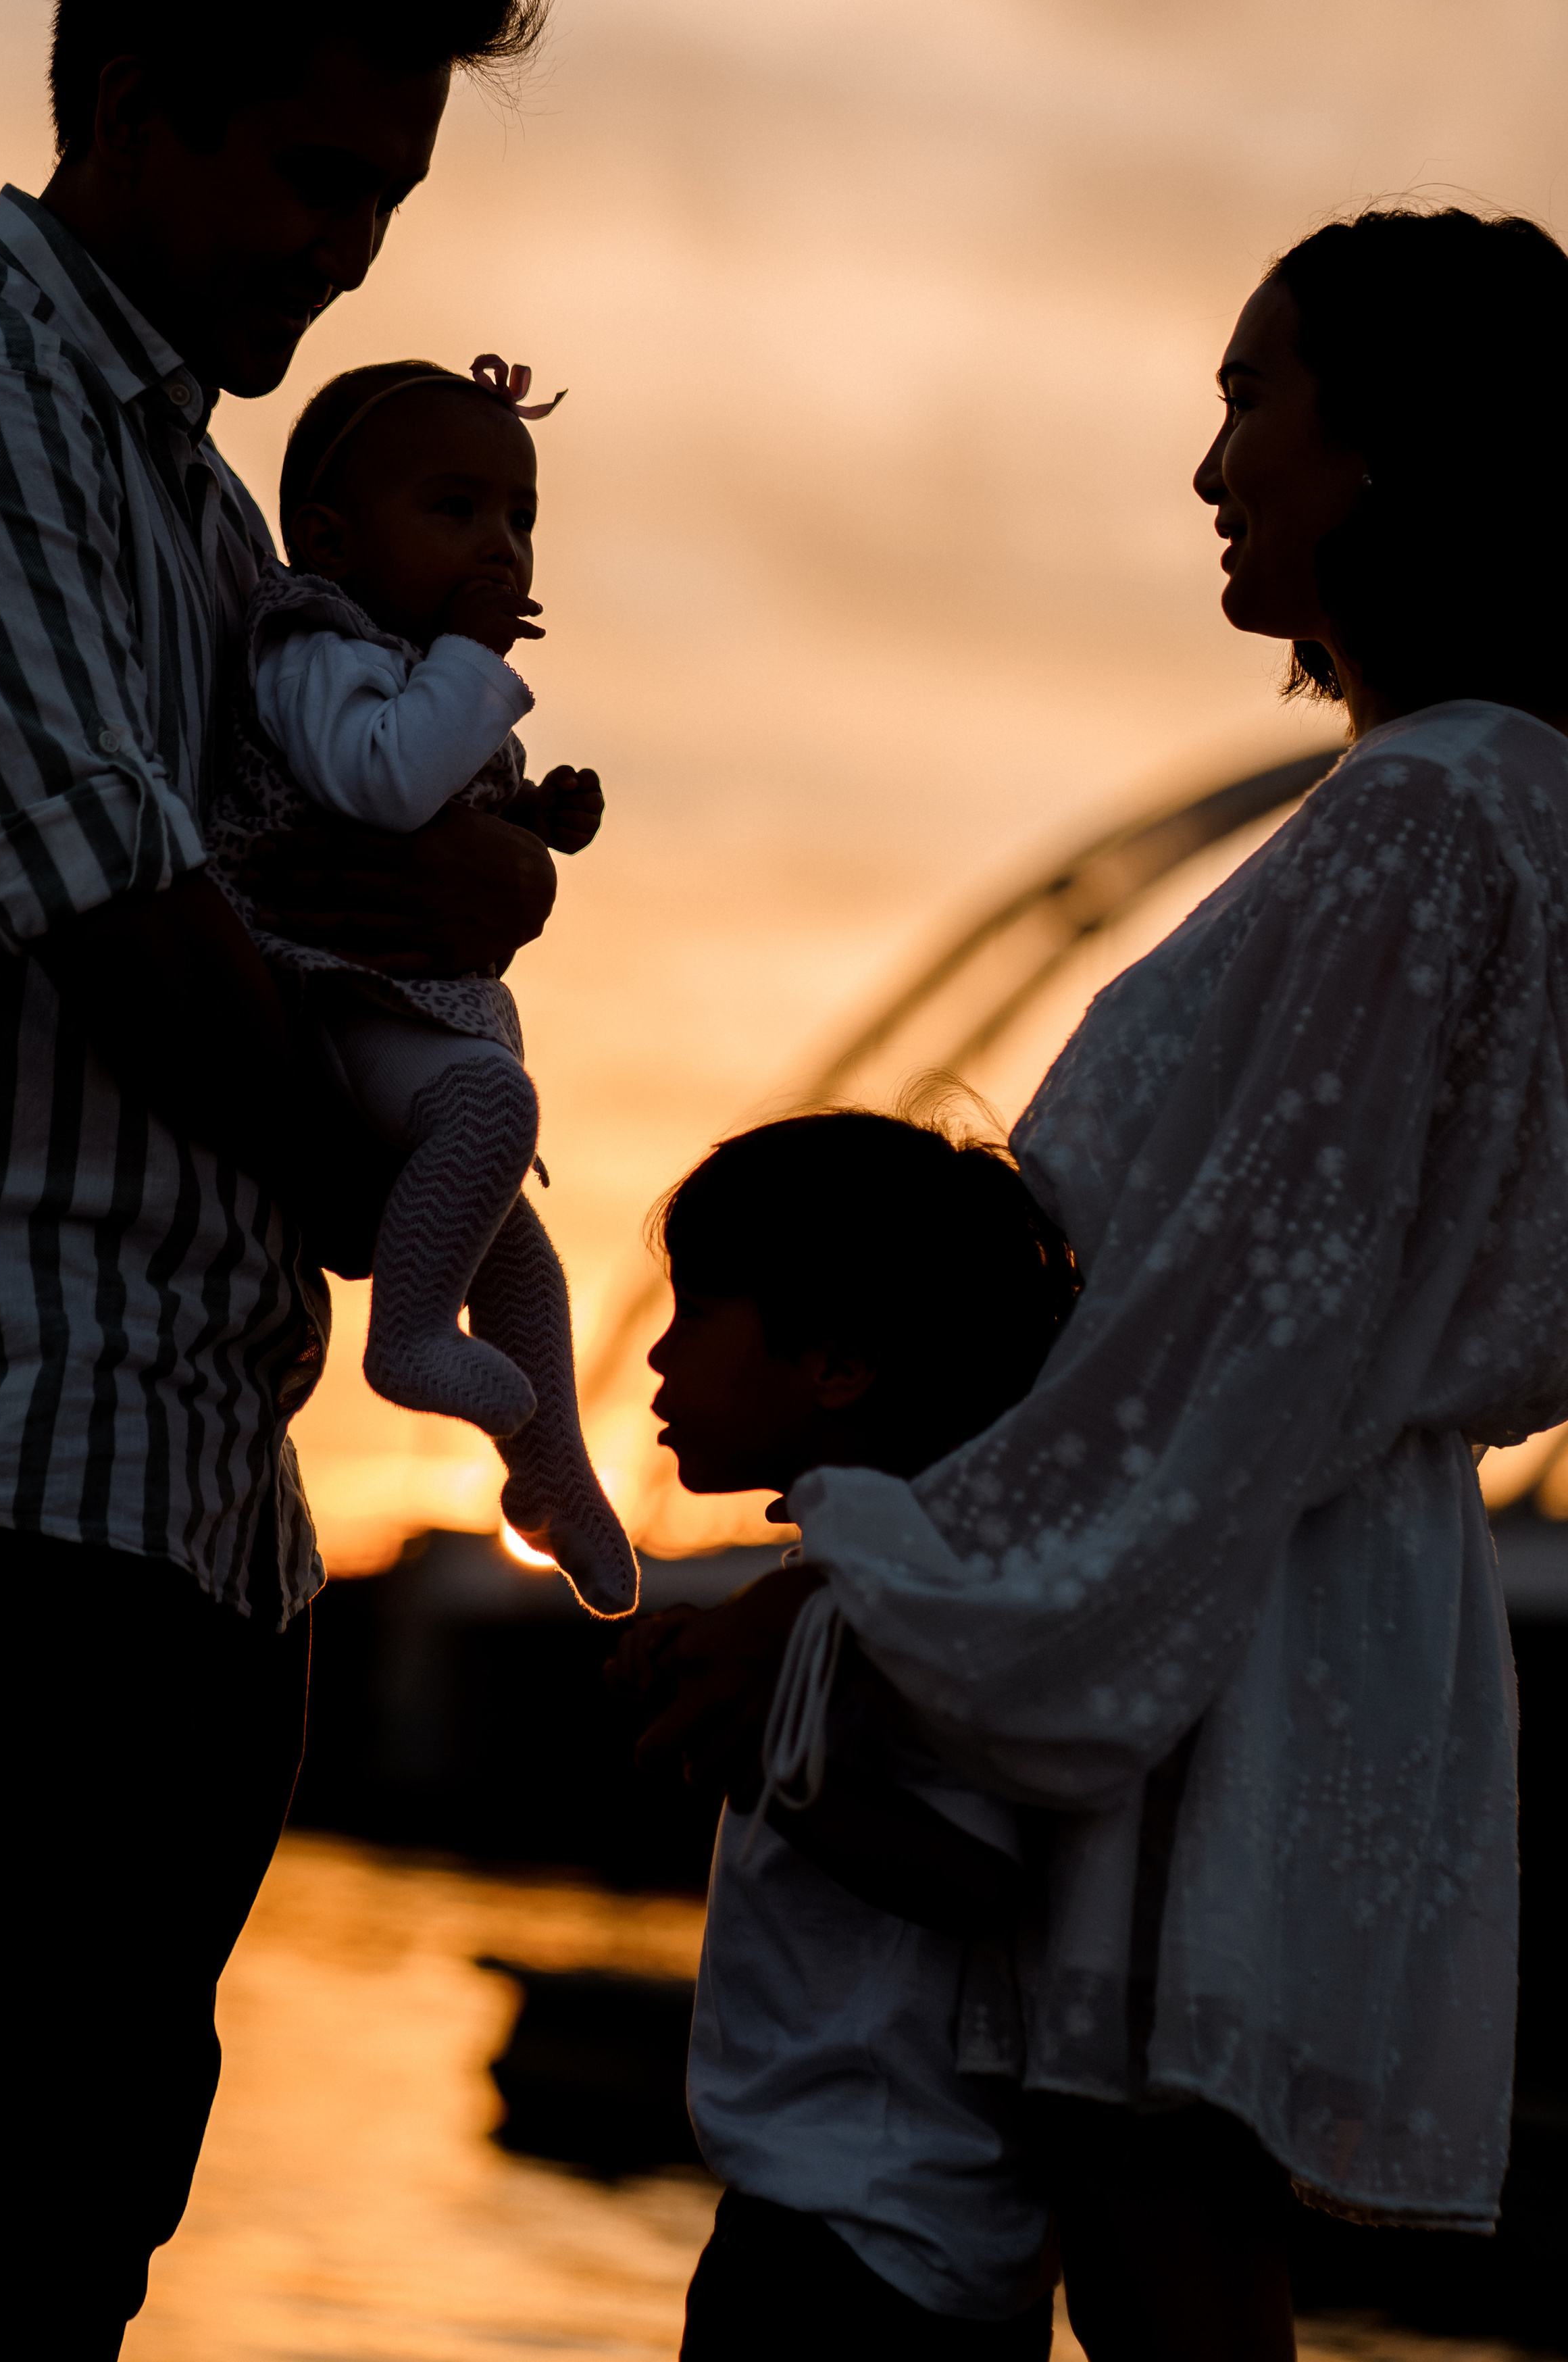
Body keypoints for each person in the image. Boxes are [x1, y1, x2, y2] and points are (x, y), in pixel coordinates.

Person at [634, 205, 1568, 2358]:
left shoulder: (1419, 825)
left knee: (1166, 2254)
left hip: (1222, 1609)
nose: (1212, 461)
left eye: (1254, 395)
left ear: (1388, 445)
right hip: (1295, 1583)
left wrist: (861, 1583)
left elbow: (1242, 1324)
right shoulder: (1499, 804)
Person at [0, 0, 549, 2358]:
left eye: (394, 196)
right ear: (133, 110)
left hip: (189, 1549)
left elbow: (353, 904)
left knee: (53, 2258)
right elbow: (148, 950)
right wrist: (391, 1154)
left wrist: (472, 896)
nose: (353, 252)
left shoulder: (207, 508)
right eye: (316, 177)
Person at [611, 1107, 1078, 2360]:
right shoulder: (856, 1585)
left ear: (837, 1364)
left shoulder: (919, 1601)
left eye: (695, 1311)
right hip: (872, 2223)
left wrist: (768, 1765)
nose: (656, 1353)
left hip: (867, 2239)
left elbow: (986, 1880)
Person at [206, 352, 634, 1613]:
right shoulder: (314, 643)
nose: (500, 545)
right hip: (330, 989)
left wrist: (529, 821)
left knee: (520, 1252)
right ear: (332, 541)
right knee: (494, 1109)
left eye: (520, 518)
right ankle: (406, 1344)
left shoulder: (406, 660)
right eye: (455, 509)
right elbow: (382, 780)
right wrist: (475, 664)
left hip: (389, 1001)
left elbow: (435, 796)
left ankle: (552, 1469)